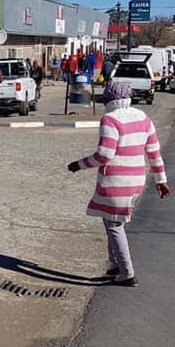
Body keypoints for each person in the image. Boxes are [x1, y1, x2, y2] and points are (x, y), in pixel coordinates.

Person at [67, 81, 169, 286]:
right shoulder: (144, 118)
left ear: (108, 99)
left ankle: (127, 273)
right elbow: (154, 153)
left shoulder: (110, 119)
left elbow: (104, 155)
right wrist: (161, 180)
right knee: (111, 220)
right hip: (137, 179)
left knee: (114, 224)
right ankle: (113, 266)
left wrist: (79, 165)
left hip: (116, 181)